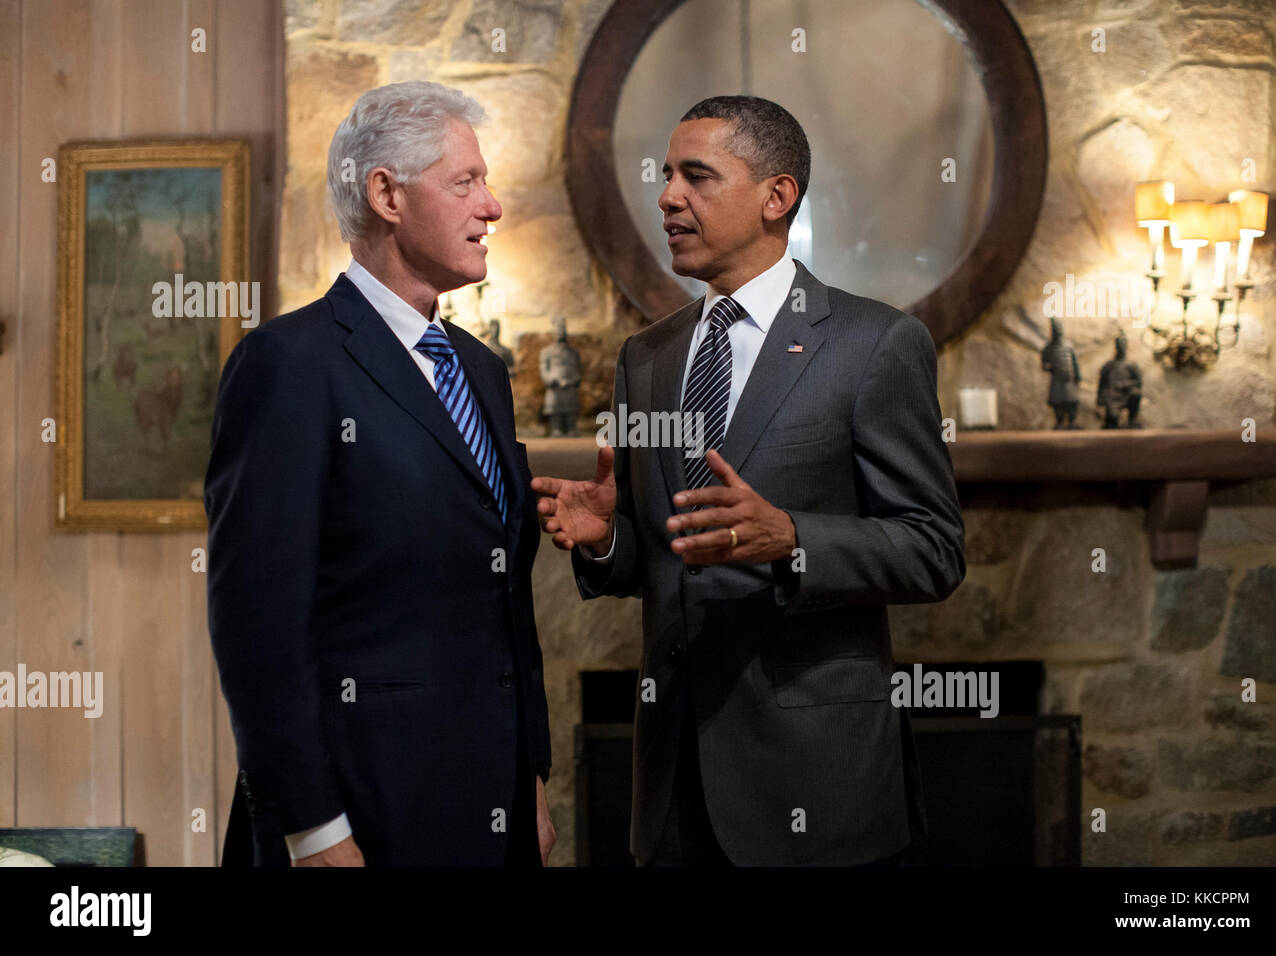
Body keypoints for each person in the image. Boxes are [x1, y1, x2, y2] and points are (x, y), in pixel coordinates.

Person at [531, 95, 965, 866]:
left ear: (777, 196)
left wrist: (792, 539)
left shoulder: (875, 344)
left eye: (696, 176)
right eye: (666, 176)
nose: (667, 196)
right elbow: (667, 560)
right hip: (671, 787)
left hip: (814, 784)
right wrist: (606, 541)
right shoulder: (648, 356)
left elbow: (933, 549)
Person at [205, 81, 553, 867]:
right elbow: (257, 626)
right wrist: (313, 830)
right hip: (357, 817)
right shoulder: (287, 364)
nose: (492, 207)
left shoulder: (481, 369)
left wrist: (529, 773)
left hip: (487, 806)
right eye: (466, 182)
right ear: (387, 194)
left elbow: (506, 603)